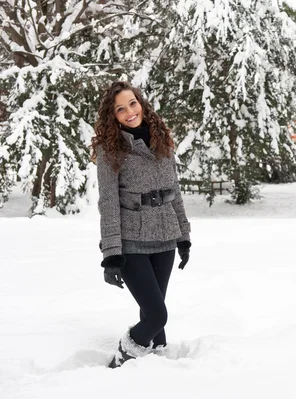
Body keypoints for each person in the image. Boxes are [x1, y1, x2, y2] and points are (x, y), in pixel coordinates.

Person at [91, 81, 192, 368]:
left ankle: (155, 368)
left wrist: (183, 236)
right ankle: (122, 359)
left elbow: (175, 190)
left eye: (132, 103)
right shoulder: (109, 150)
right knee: (158, 315)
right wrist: (111, 254)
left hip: (165, 238)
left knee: (153, 320)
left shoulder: (163, 139)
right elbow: (108, 202)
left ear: (141, 103)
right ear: (113, 116)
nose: (129, 112)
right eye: (120, 109)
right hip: (131, 241)